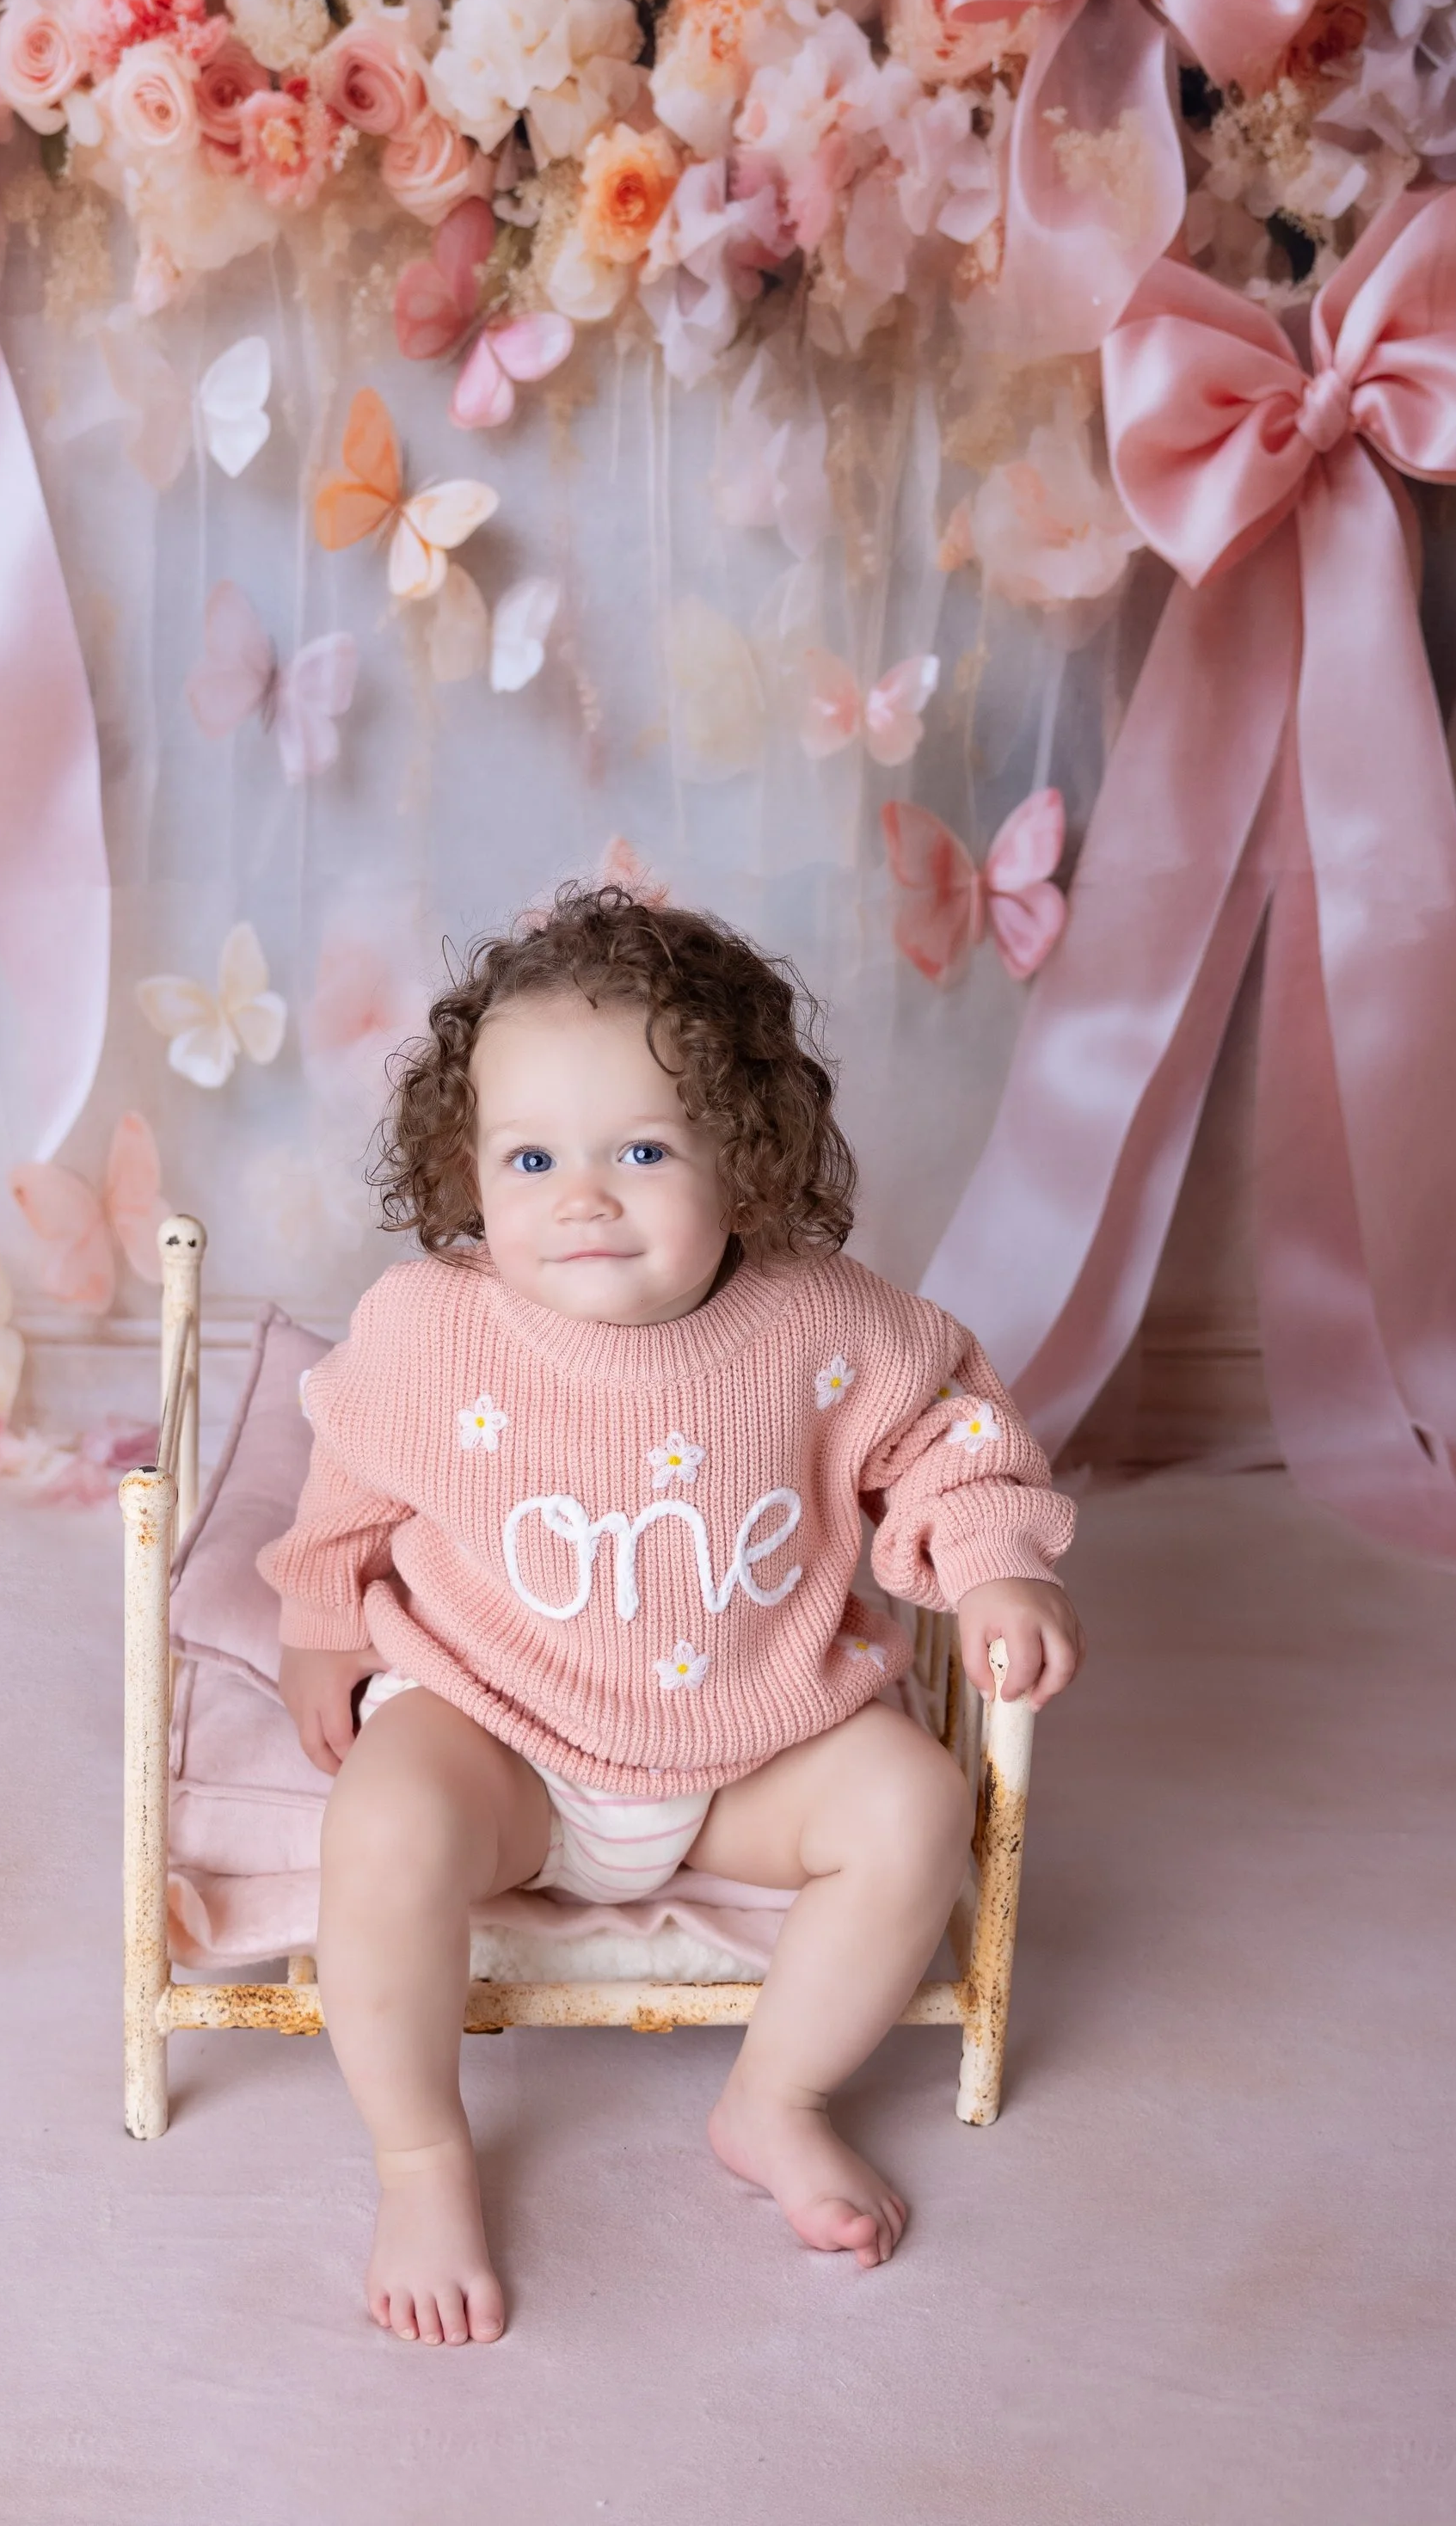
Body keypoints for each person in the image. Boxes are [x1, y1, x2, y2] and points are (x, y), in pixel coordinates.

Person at [260, 883, 1082, 2345]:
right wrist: (326, 1614)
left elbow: (950, 1435)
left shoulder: (826, 1326)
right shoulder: (432, 1329)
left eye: (642, 1150)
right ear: (469, 1171)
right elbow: (354, 1476)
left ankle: (777, 2097)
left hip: (750, 1753)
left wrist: (999, 1557)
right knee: (383, 1827)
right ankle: (422, 2154)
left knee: (911, 1805)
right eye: (531, 1157)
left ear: (747, 1163)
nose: (582, 1198)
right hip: (502, 1738)